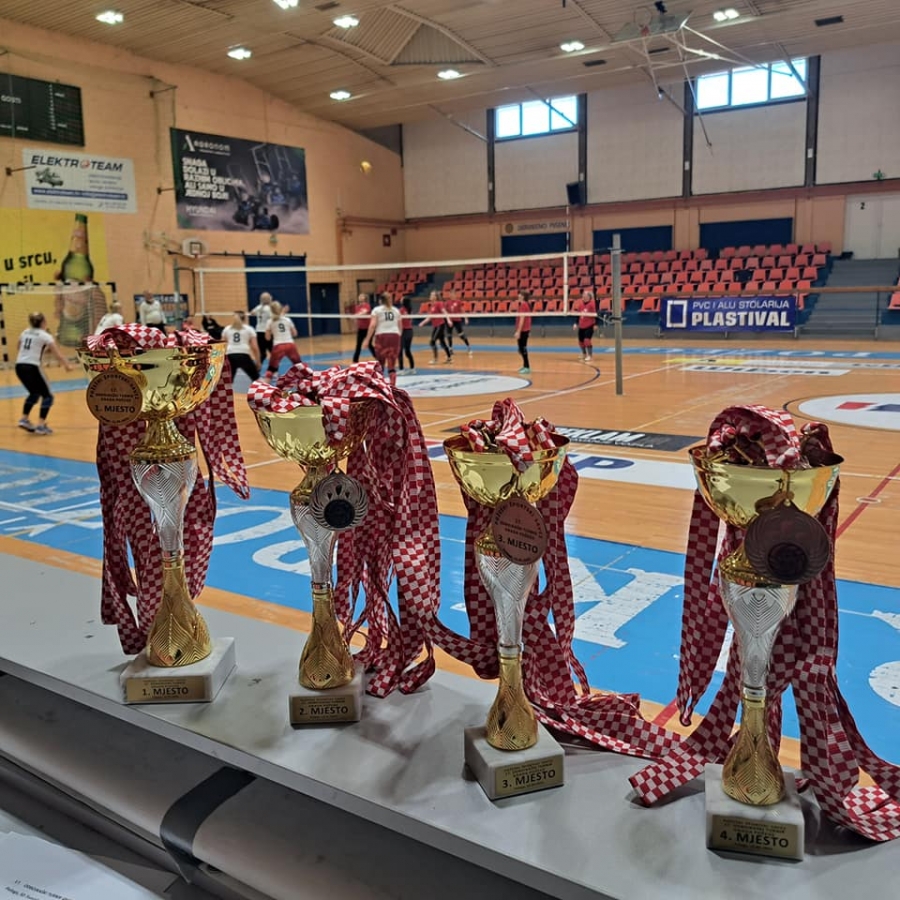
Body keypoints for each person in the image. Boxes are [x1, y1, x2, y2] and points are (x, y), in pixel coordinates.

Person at [15, 311, 73, 435]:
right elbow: (58, 354)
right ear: (43, 322)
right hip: (32, 367)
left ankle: (24, 419)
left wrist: (38, 349)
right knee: (48, 396)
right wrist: (67, 365)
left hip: (19, 366)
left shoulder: (25, 332)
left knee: (34, 393)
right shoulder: (45, 336)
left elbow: (19, 347)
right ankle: (41, 426)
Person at [365, 292, 401, 387]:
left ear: (380, 301)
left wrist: (367, 339)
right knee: (392, 363)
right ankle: (392, 386)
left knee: (380, 363)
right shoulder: (396, 310)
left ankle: (380, 385)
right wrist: (398, 335)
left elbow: (372, 325)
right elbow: (400, 326)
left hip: (382, 336)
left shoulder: (376, 310)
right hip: (395, 336)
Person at [264, 300, 301, 380]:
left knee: (271, 369)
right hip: (290, 344)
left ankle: (265, 385)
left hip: (278, 346)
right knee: (299, 366)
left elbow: (267, 338)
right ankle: (309, 383)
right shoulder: (287, 320)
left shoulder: (270, 322)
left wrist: (273, 332)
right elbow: (295, 333)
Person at [222, 311, 260, 384]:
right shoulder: (249, 329)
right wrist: (258, 361)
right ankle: (262, 391)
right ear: (245, 318)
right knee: (256, 379)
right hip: (244, 355)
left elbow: (221, 346)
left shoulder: (227, 329)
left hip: (230, 355)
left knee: (228, 382)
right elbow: (255, 347)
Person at [419, 290, 452, 365]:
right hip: (435, 326)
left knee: (432, 342)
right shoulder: (432, 306)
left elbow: (444, 312)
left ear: (435, 297)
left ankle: (435, 359)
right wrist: (422, 323)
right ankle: (449, 358)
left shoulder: (439, 303)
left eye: (432, 295)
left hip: (440, 325)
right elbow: (429, 317)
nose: (430, 296)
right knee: (442, 342)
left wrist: (448, 320)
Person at [572, 288, 598, 362]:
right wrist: (576, 323)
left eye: (585, 296)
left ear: (589, 297)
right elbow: (578, 315)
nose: (583, 297)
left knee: (587, 340)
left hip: (589, 325)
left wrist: (595, 324)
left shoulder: (592, 304)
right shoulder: (580, 304)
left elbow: (596, 315)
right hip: (581, 326)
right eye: (583, 296)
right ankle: (584, 354)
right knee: (581, 342)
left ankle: (590, 355)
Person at [445, 290, 472, 356]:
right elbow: (445, 312)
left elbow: (462, 310)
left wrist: (466, 318)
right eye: (450, 294)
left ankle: (468, 346)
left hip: (457, 320)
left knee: (461, 335)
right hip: (450, 321)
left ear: (455, 294)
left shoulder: (458, 302)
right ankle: (450, 349)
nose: (451, 295)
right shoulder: (447, 302)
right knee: (449, 335)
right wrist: (448, 320)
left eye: (452, 294)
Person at [250, 292, 274, 365]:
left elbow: (252, 313)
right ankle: (273, 369)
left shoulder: (258, 307)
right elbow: (274, 317)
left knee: (262, 353)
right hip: (267, 332)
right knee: (272, 352)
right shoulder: (269, 309)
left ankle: (257, 367)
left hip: (259, 332)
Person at [350, 293, 372, 363]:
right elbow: (357, 318)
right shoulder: (357, 307)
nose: (360, 297)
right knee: (358, 345)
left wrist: (355, 315)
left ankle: (378, 357)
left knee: (370, 345)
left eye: (362, 296)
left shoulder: (367, 305)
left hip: (367, 329)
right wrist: (355, 326)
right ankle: (355, 360)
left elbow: (364, 313)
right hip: (360, 329)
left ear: (364, 298)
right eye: (359, 296)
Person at [514, 290, 532, 375]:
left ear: (523, 296)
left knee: (522, 348)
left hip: (523, 330)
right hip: (525, 330)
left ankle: (527, 367)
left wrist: (518, 331)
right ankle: (525, 366)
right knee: (521, 348)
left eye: (520, 295)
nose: (518, 296)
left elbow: (522, 319)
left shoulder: (524, 305)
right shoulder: (525, 304)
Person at [398, 296, 415, 375]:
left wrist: (399, 332)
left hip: (404, 331)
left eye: (402, 299)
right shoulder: (410, 310)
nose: (400, 299)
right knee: (407, 351)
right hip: (410, 331)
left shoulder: (401, 310)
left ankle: (401, 369)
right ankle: (412, 368)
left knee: (400, 351)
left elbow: (399, 321)